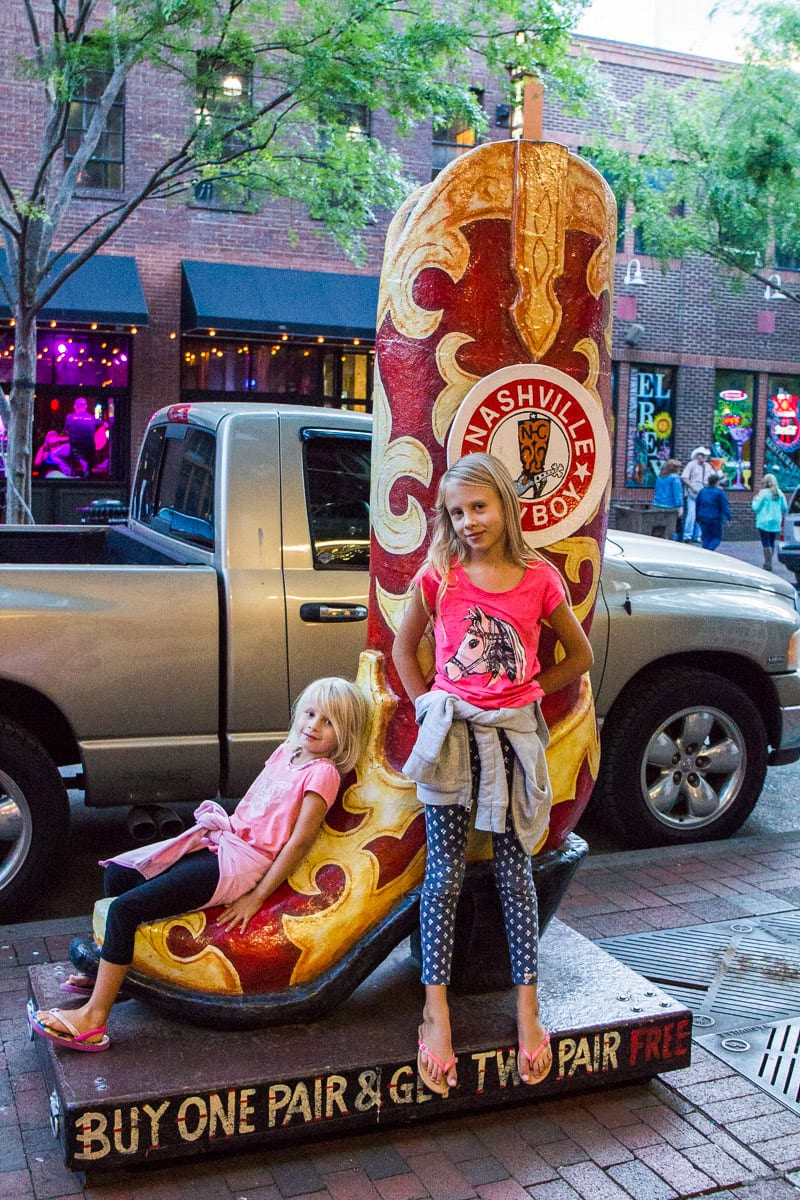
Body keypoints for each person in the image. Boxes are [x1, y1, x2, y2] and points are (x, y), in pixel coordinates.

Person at [392, 452, 593, 1096]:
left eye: (479, 506)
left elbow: (579, 654)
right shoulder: (441, 575)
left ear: (505, 504)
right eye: (456, 511)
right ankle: (435, 1008)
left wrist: (529, 692)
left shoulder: (539, 580)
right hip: (452, 736)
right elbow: (405, 645)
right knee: (445, 873)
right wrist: (428, 700)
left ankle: (527, 1008)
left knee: (515, 868)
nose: (469, 521)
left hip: (512, 741)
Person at [28, 677, 367, 1052]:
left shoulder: (323, 773)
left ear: (345, 734)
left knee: (124, 911)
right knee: (121, 875)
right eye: (310, 713)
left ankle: (93, 1020)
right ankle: (120, 974)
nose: (314, 725)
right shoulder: (288, 751)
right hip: (222, 843)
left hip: (240, 865)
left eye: (329, 722)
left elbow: (299, 842)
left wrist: (256, 897)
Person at [751, 473, 788, 571]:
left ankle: (767, 563)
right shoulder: (780, 493)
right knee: (772, 542)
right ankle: (770, 561)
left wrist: (754, 499)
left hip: (764, 521)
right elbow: (784, 508)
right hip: (776, 521)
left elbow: (756, 507)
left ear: (765, 483)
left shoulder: (762, 493)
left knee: (765, 542)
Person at [681, 447, 713, 544]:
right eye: (702, 455)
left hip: (703, 493)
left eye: (705, 456)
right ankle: (687, 535)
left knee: (701, 515)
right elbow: (684, 477)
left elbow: (710, 479)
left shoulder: (708, 466)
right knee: (691, 514)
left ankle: (697, 536)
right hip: (693, 493)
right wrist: (692, 487)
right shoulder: (691, 465)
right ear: (697, 455)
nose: (704, 458)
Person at [695, 473, 731, 551]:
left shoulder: (702, 491)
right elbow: (724, 506)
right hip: (715, 517)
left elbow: (697, 504)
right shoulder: (719, 492)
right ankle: (709, 551)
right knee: (716, 538)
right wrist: (728, 517)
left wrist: (697, 517)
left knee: (706, 537)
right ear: (717, 482)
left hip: (702, 516)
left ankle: (705, 551)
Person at [653, 459, 684, 540]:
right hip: (670, 506)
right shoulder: (675, 478)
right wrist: (680, 506)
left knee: (660, 528)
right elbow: (677, 493)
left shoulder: (660, 477)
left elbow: (656, 491)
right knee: (676, 528)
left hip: (657, 504)